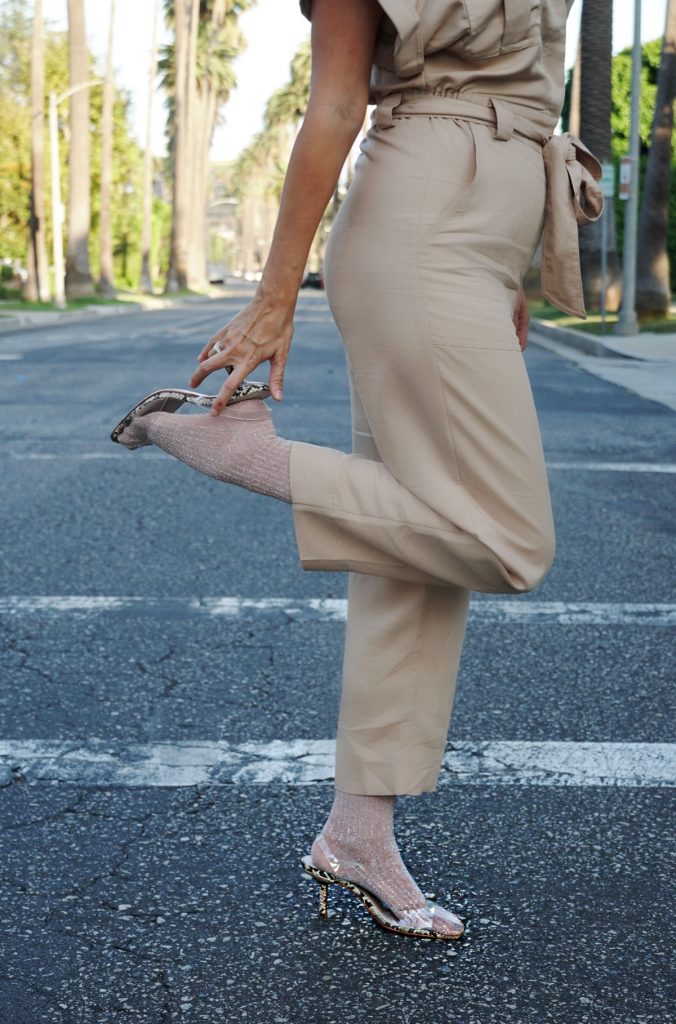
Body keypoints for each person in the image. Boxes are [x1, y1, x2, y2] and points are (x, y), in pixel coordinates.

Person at [113, 0, 603, 940]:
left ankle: (359, 837)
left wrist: (507, 267)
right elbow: (336, 104)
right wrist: (270, 302)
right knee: (506, 539)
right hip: (420, 222)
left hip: (476, 234)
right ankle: (241, 451)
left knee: (415, 561)